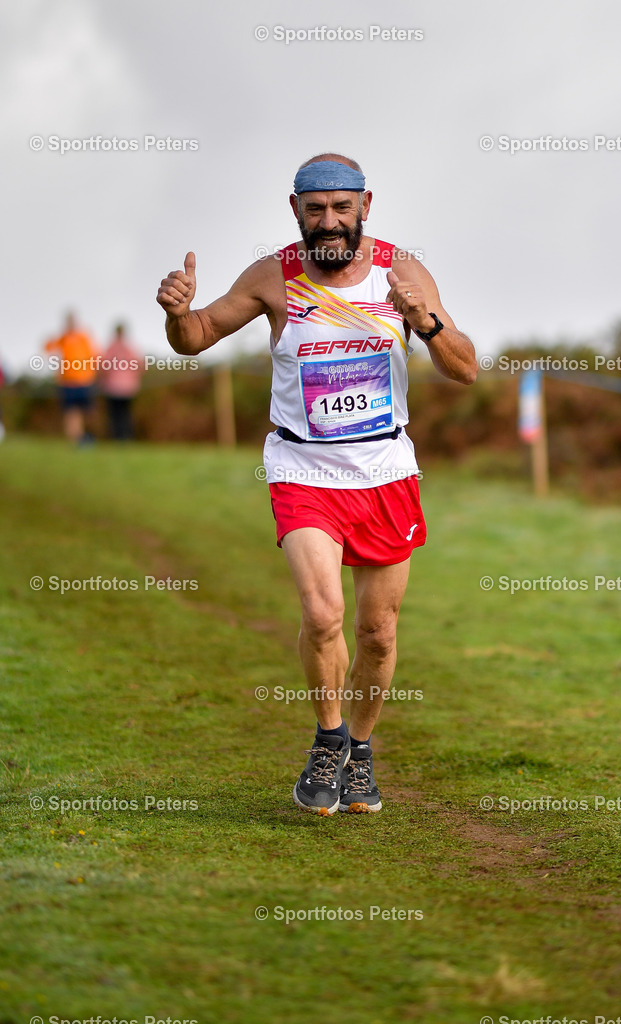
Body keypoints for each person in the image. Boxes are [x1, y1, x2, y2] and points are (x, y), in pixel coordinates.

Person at [156, 154, 478, 816]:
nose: (328, 221)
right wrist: (177, 314)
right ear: (295, 210)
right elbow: (196, 337)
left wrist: (426, 322)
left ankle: (360, 749)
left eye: (341, 207)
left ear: (365, 205)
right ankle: (329, 739)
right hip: (302, 467)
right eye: (315, 209)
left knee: (377, 631)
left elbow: (465, 368)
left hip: (384, 469)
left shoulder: (402, 271)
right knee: (323, 613)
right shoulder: (273, 276)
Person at [44, 312, 98, 443]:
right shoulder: (63, 338)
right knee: (71, 412)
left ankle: (89, 435)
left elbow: (95, 355)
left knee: (88, 411)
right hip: (67, 381)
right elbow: (48, 348)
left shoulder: (84, 337)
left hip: (84, 380)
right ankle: (77, 438)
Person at [99, 323, 144, 440]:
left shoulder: (111, 347)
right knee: (126, 413)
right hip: (129, 387)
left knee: (115, 414)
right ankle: (127, 436)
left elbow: (103, 366)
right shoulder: (131, 347)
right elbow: (140, 365)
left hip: (113, 387)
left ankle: (117, 437)